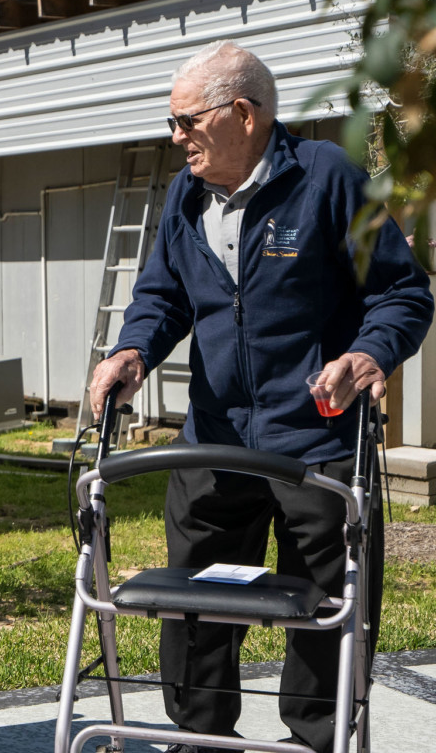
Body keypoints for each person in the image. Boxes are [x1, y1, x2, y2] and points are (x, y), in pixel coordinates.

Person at [90, 41, 434, 753]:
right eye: (173, 121)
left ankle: (319, 743)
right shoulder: (185, 195)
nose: (175, 136)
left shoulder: (328, 181)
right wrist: (132, 351)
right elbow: (162, 296)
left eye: (186, 120)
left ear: (241, 114)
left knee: (323, 623)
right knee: (194, 621)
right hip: (214, 444)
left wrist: (366, 355)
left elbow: (402, 293)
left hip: (316, 445)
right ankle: (199, 743)